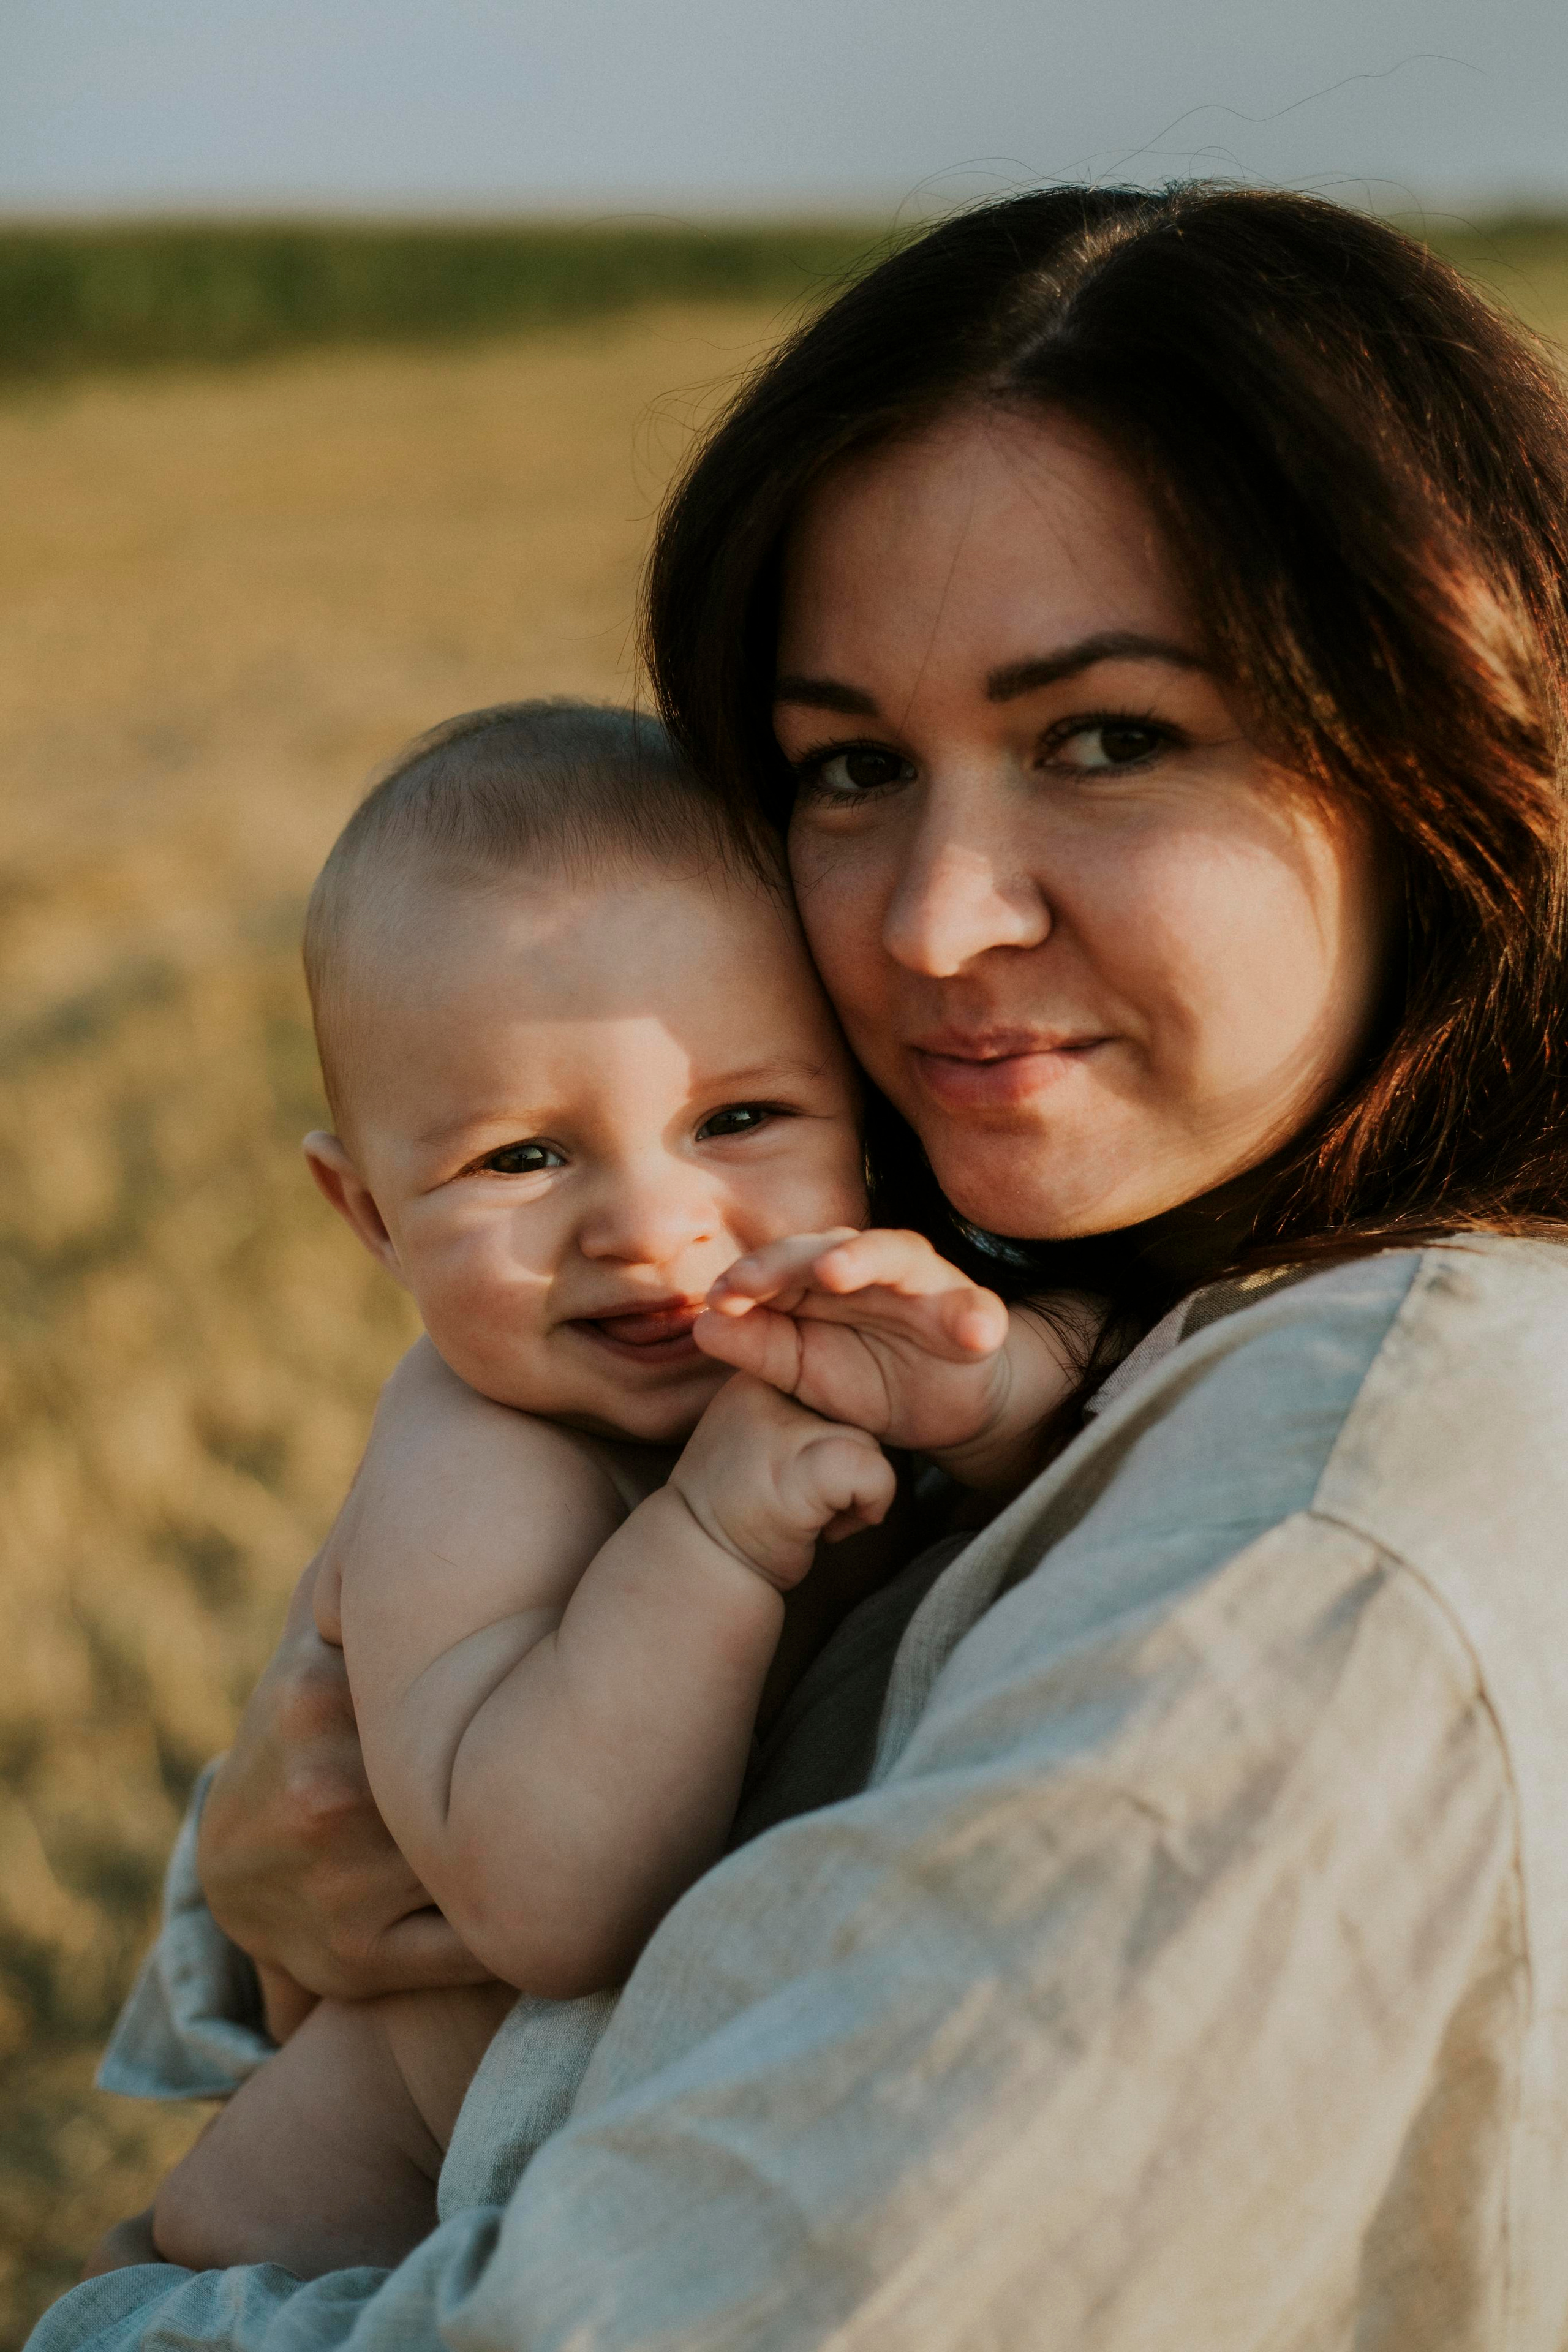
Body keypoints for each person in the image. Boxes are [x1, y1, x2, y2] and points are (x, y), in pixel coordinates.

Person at [40, 183, 1568, 2350]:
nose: (933, 921)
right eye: (848, 767)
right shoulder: (1075, 1277)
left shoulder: (1346, 1519)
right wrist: (277, 1874)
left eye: (1107, 737)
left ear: (1460, 735)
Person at [145, 698, 1079, 2277]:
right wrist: (710, 1540)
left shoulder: (832, 1309)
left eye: (739, 1118)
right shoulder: (476, 1466)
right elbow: (550, 1903)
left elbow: (1056, 1454)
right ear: (368, 1214)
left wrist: (986, 1394)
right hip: (374, 2194)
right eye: (522, 1159)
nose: (650, 1227)